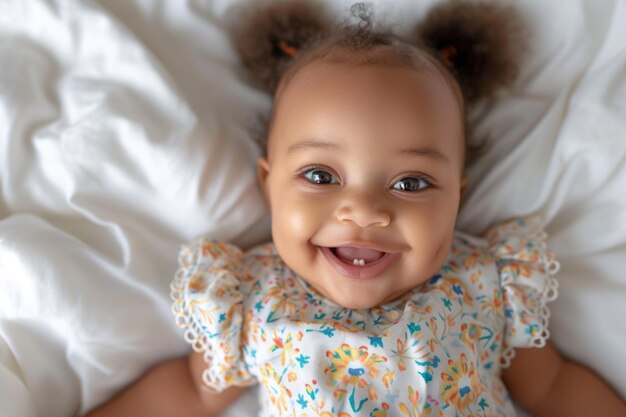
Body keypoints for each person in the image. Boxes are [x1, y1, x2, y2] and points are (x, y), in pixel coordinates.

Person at [86, 2, 626, 416]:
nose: (364, 209)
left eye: (411, 182)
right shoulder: (252, 303)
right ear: (269, 186)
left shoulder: (489, 285)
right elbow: (185, 393)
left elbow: (554, 387)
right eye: (320, 176)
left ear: (457, 197)